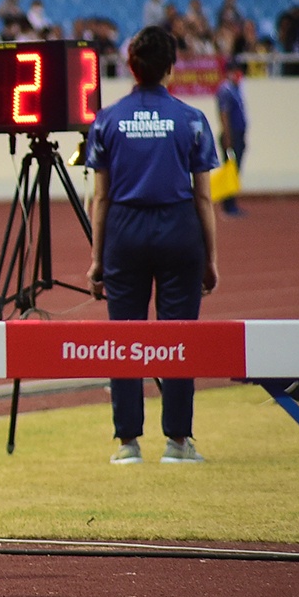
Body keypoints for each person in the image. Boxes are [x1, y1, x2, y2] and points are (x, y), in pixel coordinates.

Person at [87, 25, 219, 465]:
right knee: (179, 335)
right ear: (170, 67)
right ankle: (178, 442)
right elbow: (203, 196)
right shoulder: (192, 120)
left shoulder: (106, 120)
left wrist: (96, 258)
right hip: (179, 228)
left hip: (124, 229)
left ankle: (127, 443)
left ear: (131, 66)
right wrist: (210, 258)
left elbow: (100, 196)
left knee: (125, 336)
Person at [214, 61, 247, 217]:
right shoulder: (225, 90)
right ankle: (228, 205)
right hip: (231, 135)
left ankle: (231, 203)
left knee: (235, 170)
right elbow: (224, 114)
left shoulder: (236, 89)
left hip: (238, 134)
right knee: (230, 170)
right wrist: (227, 137)